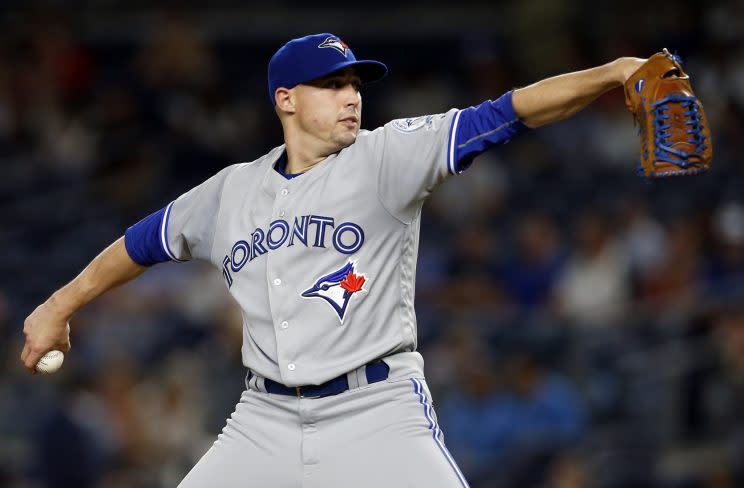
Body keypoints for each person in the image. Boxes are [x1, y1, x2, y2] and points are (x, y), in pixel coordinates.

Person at [21, 33, 646, 487]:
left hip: (376, 409)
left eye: (354, 84)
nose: (351, 96)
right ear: (286, 100)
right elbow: (138, 245)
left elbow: (510, 113)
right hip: (263, 416)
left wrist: (614, 72)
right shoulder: (229, 192)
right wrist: (57, 306)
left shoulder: (387, 158)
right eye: (333, 84)